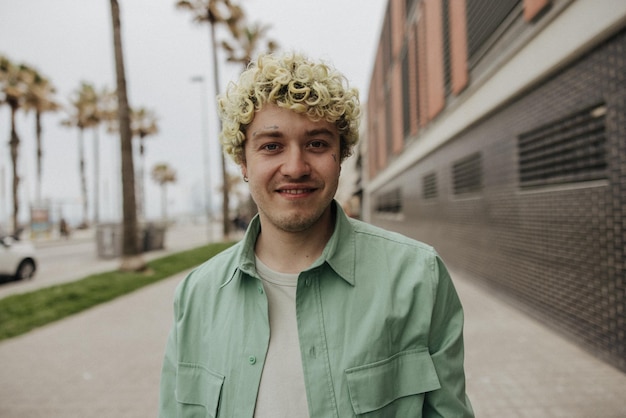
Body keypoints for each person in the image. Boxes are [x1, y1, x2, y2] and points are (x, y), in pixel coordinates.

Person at [159, 52, 474, 417]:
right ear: (243, 162)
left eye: (317, 144)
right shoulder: (196, 297)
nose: (295, 167)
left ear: (340, 157)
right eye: (271, 146)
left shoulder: (419, 277)